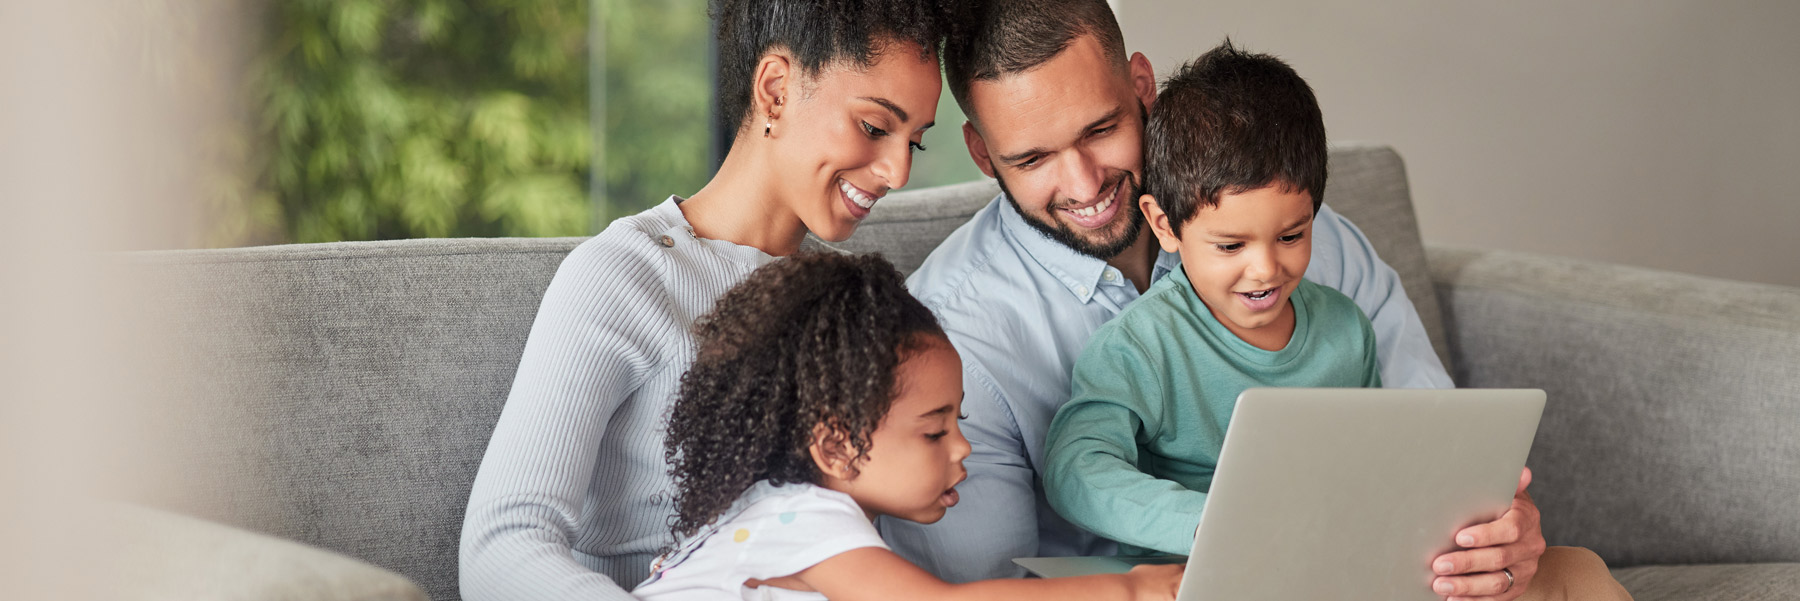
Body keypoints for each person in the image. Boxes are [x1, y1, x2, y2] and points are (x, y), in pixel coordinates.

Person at [882, 1, 1629, 600]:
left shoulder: (1303, 235)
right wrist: (1232, 533)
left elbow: (1434, 438)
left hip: (1354, 565)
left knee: (1580, 573)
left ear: (1142, 86)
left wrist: (1489, 529)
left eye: (1102, 129)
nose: (1082, 184)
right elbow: (985, 581)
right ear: (982, 153)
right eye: (1033, 158)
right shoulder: (951, 335)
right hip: (1167, 582)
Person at [458, 2, 951, 599]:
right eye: (875, 127)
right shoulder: (627, 276)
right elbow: (503, 545)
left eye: (915, 143)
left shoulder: (853, 308)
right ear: (776, 90)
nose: (898, 172)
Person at [632, 252, 1182, 601]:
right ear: (834, 445)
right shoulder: (807, 521)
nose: (963, 447)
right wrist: (1131, 589)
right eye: (934, 432)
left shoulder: (772, 510)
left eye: (957, 421)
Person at [1043, 40, 1384, 557]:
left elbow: (1382, 459)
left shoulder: (1346, 330)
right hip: (1197, 573)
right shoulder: (1141, 346)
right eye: (1230, 245)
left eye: (1292, 235)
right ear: (1164, 225)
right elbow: (1076, 471)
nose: (1267, 268)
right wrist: (1210, 525)